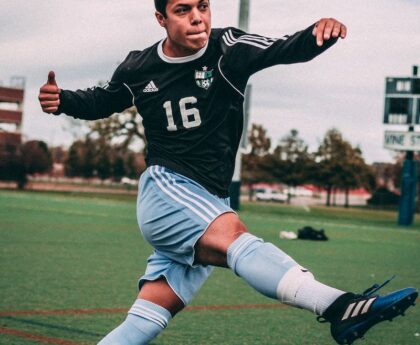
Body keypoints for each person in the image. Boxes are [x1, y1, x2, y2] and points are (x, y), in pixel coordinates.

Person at [38, 1, 417, 344]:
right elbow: (102, 100)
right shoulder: (138, 66)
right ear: (161, 19)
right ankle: (340, 307)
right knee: (236, 237)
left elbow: (282, 48)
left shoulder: (228, 48)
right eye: (183, 10)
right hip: (166, 191)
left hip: (208, 200)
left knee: (145, 320)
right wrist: (63, 100)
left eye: (203, 6)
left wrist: (317, 35)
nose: (197, 17)